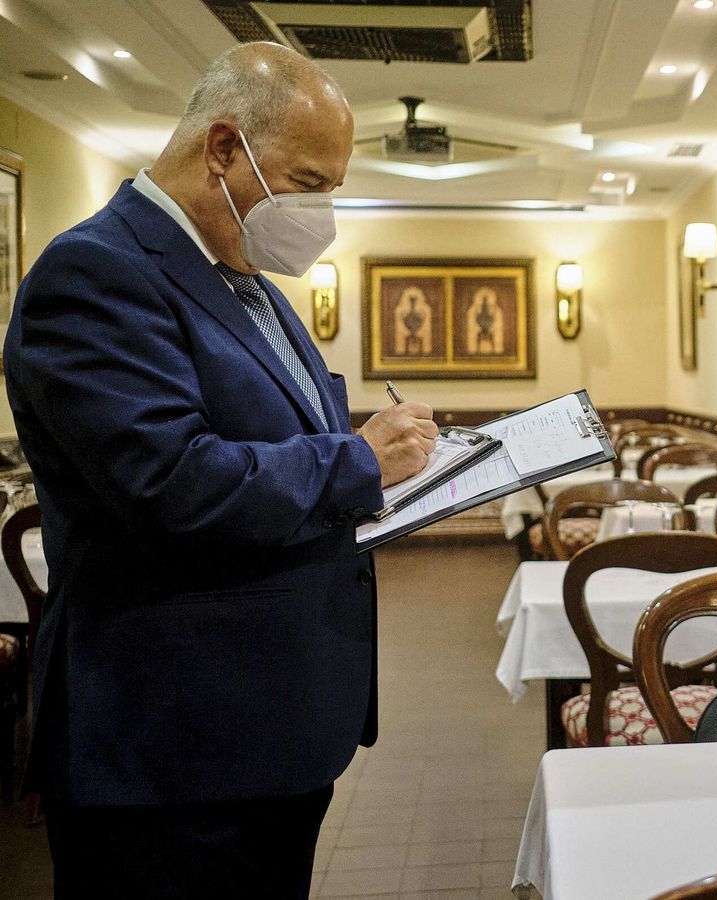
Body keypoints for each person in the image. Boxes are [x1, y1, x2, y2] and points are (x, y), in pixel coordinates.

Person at [4, 43, 437, 897]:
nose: (324, 215)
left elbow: (276, 436)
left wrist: (388, 462)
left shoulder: (252, 284)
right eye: (310, 184)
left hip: (270, 732)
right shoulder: (95, 271)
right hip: (172, 748)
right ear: (224, 148)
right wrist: (357, 459)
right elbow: (169, 481)